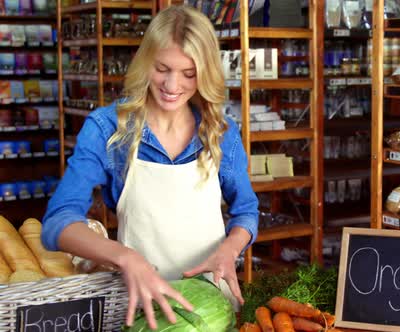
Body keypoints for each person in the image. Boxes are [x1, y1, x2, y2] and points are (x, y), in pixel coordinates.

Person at [41, 5, 259, 329]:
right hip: (142, 308)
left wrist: (230, 249)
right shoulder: (108, 129)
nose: (172, 85)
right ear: (146, 63)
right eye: (162, 68)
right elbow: (58, 222)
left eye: (189, 74)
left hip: (210, 309)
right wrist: (124, 257)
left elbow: (247, 211)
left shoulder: (220, 132)